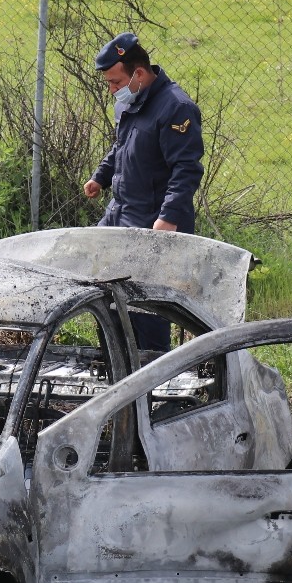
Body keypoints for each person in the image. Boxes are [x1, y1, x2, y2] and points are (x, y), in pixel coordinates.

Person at [83, 31, 204, 353]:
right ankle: (115, 376)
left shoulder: (176, 108)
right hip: (119, 213)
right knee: (101, 297)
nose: (111, 90)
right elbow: (121, 146)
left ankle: (152, 384)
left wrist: (168, 218)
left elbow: (186, 168)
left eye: (114, 82)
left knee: (146, 311)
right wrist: (101, 177)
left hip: (153, 222)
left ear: (138, 73)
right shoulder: (132, 100)